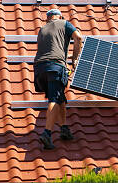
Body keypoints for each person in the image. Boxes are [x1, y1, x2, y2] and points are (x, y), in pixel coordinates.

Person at [34, 9, 82, 149]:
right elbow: (78, 37)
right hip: (55, 66)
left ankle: (64, 128)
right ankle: (47, 133)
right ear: (60, 17)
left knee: (60, 97)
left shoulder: (42, 29)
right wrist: (74, 59)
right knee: (54, 99)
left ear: (47, 18)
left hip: (39, 69)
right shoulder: (65, 23)